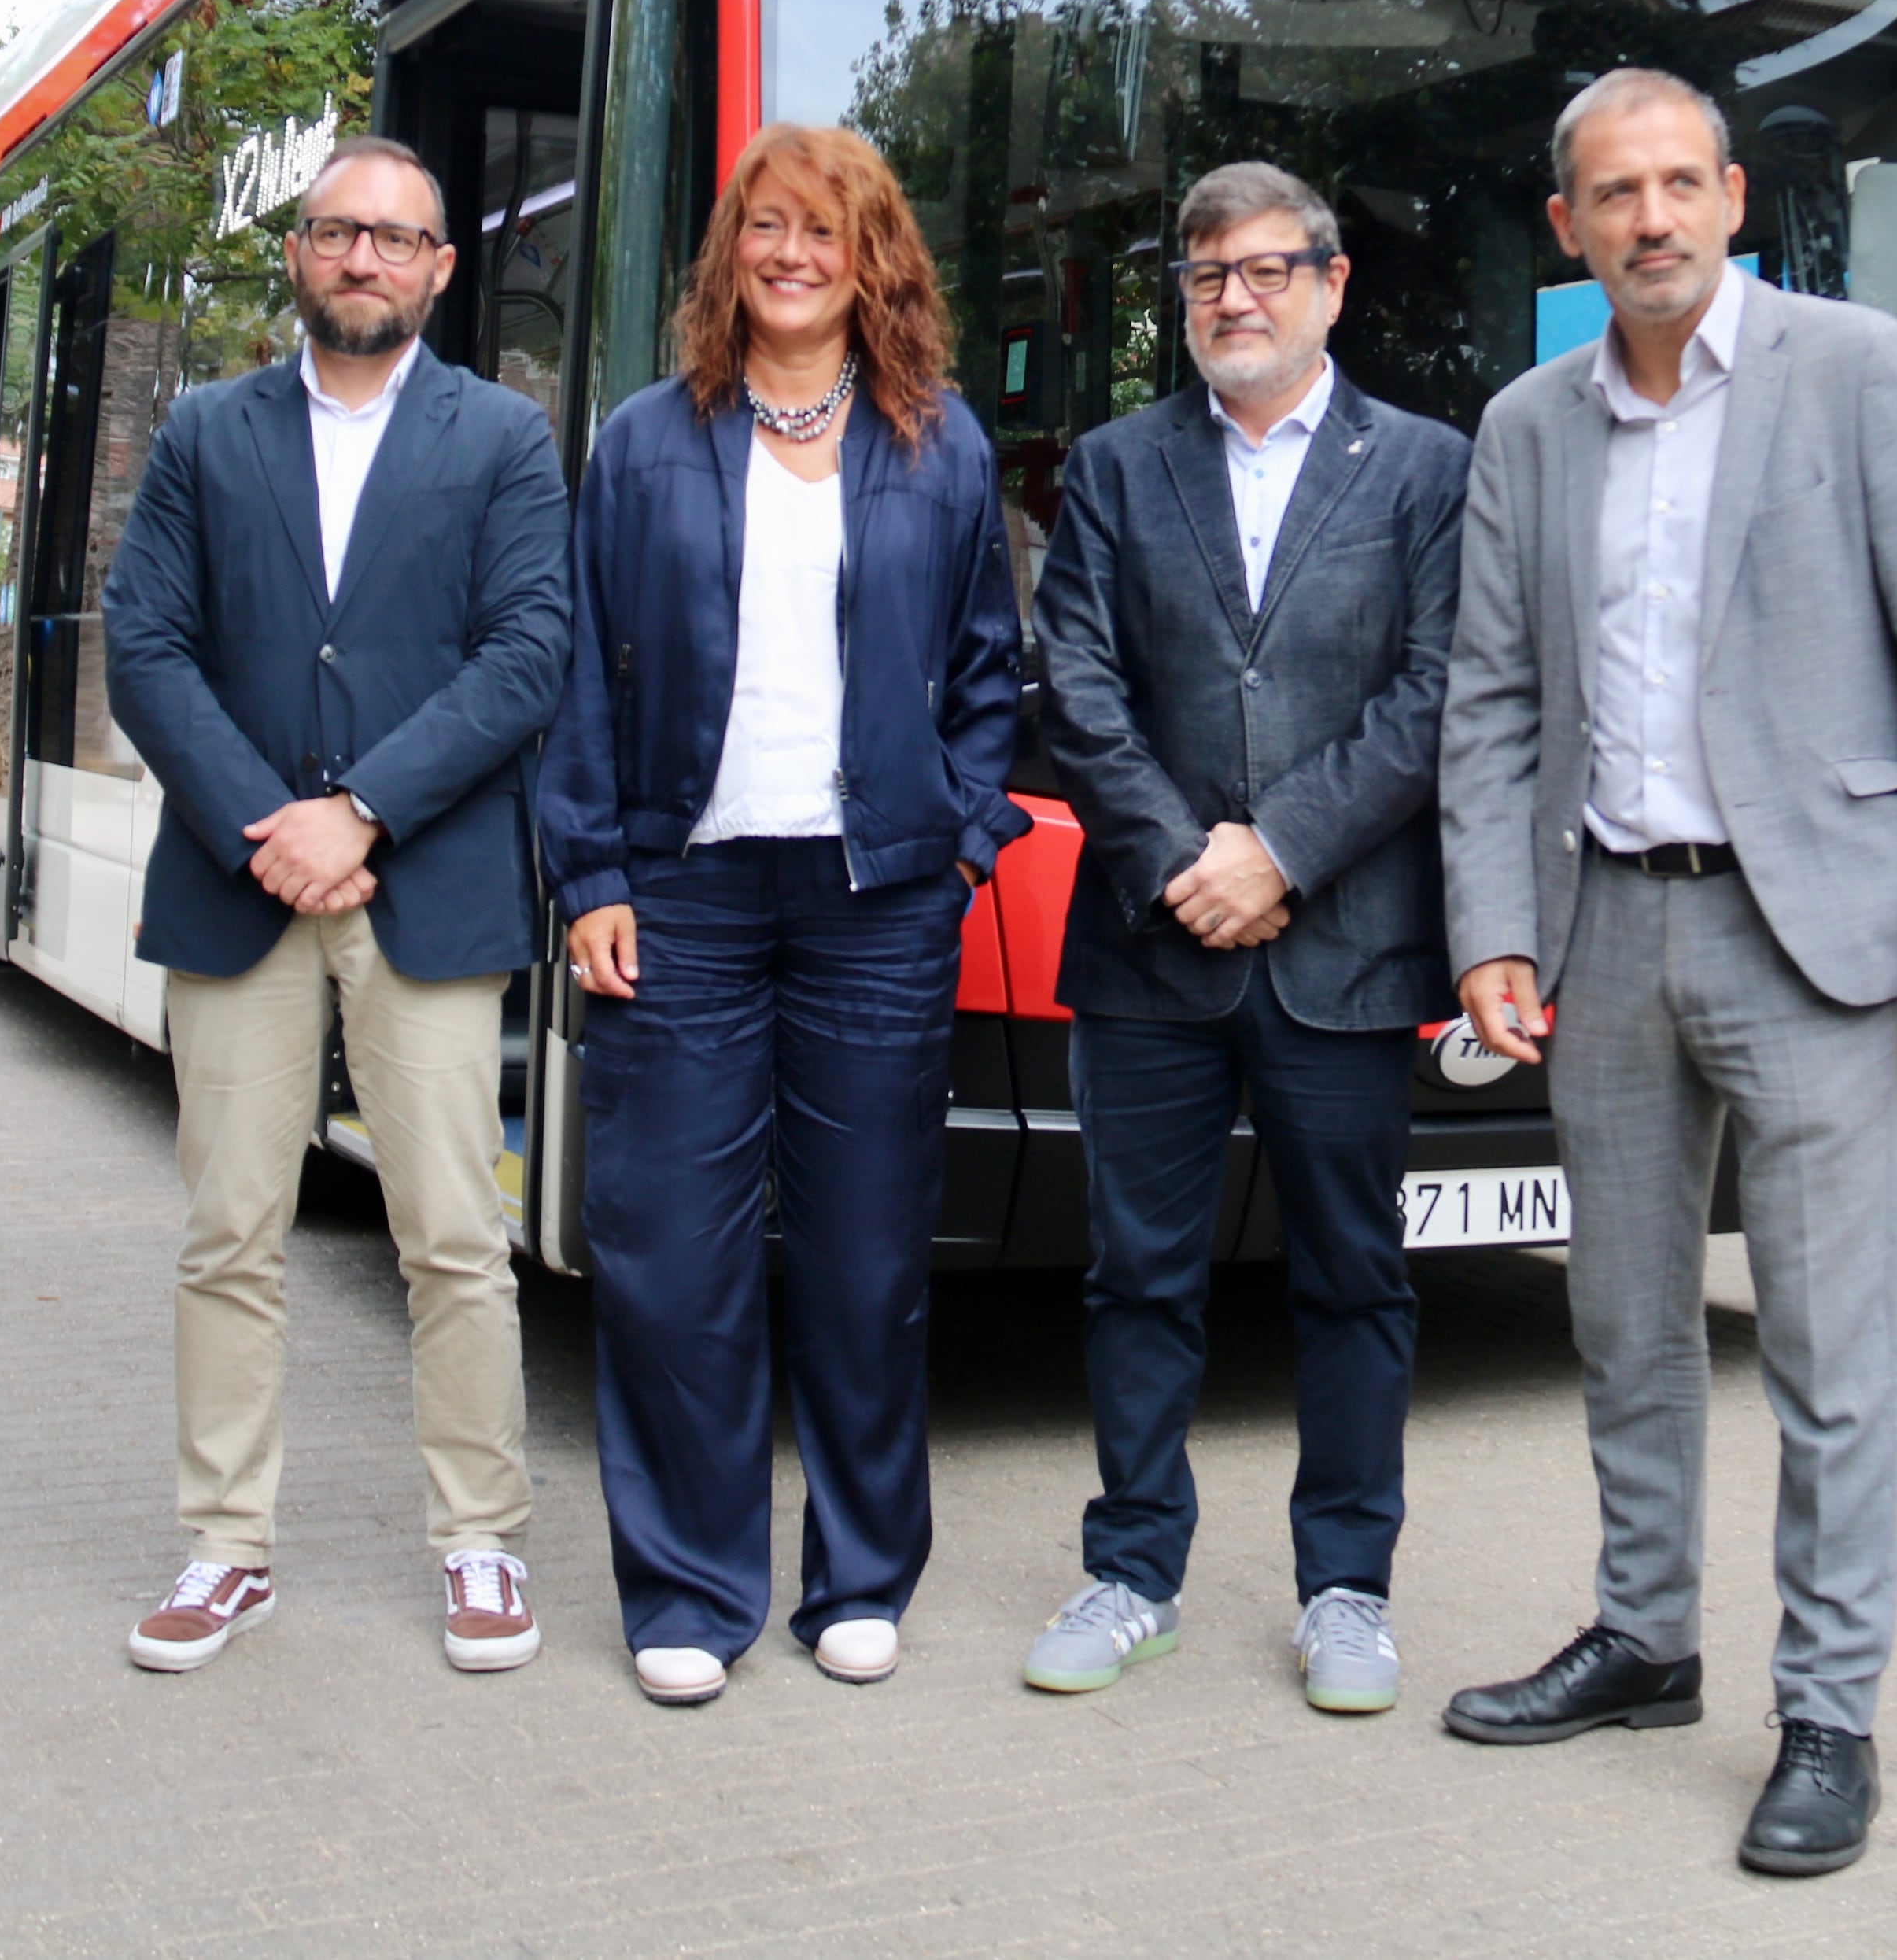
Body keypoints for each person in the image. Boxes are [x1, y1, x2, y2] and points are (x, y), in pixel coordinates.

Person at [1435, 67, 1897, 1877]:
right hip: (1604, 931)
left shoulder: (1852, 374)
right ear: (1568, 225)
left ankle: (1831, 1716)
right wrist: (1488, 926)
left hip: (1820, 938)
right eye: (1614, 194)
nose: (1652, 219)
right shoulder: (1526, 424)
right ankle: (1641, 1640)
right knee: (1620, 1324)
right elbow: (1487, 706)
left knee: (1830, 1353)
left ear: (1732, 195)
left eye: (1680, 184)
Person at [541, 122, 1028, 1707]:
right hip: (680, 889)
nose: (793, 253)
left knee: (864, 1253)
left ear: (871, 251)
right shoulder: (642, 441)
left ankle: (861, 1574)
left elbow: (980, 665)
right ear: (729, 251)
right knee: (670, 1253)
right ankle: (690, 1583)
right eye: (767, 226)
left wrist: (958, 836)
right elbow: (583, 673)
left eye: (826, 228)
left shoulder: (937, 441)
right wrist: (594, 873)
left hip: (874, 897)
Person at [98, 135, 573, 1679]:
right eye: (337, 231)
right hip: (241, 889)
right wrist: (270, 826)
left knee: (450, 1235)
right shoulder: (203, 434)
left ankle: (480, 1539)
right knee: (231, 1231)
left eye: (398, 237)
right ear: (296, 254)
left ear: (440, 266)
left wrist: (357, 809)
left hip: (423, 885)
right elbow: (148, 647)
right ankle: (223, 1547)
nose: (365, 257)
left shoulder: (504, 437)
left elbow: (527, 653)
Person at [1018, 163, 1468, 1716]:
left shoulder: (1422, 468)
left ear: (1331, 286)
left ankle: (1347, 1587)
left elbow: (1437, 689)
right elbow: (1071, 673)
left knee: (1353, 1279)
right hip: (1151, 948)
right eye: (1207, 273)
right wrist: (1176, 857)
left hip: (1343, 950)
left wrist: (1280, 850)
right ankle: (1132, 1569)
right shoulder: (1118, 465)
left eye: (1268, 268)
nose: (1235, 296)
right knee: (1138, 1277)